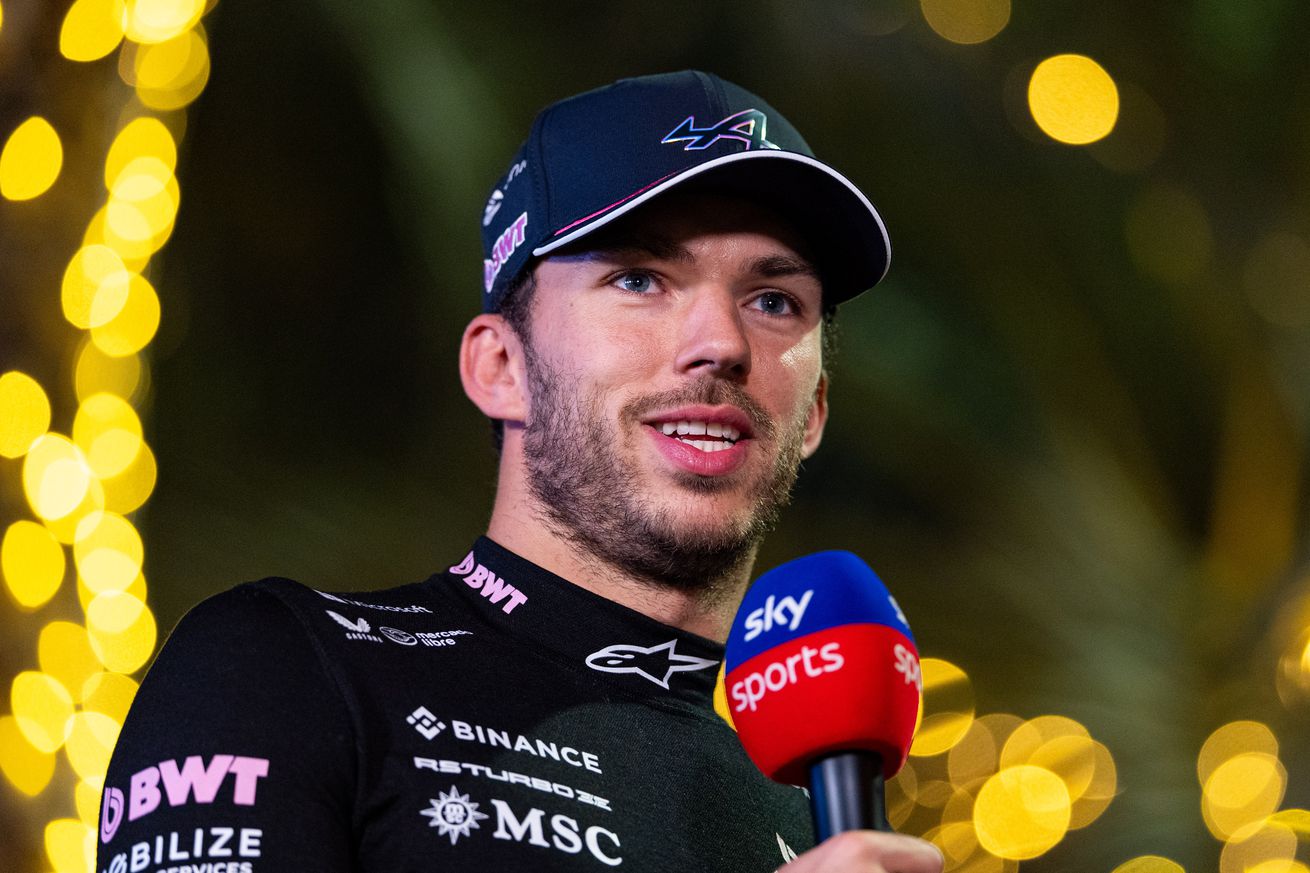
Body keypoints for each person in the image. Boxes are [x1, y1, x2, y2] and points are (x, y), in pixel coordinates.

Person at [97, 70, 944, 873]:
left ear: (815, 410)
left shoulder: (809, 819)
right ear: (501, 367)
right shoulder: (284, 665)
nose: (721, 342)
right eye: (640, 279)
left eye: (773, 301)